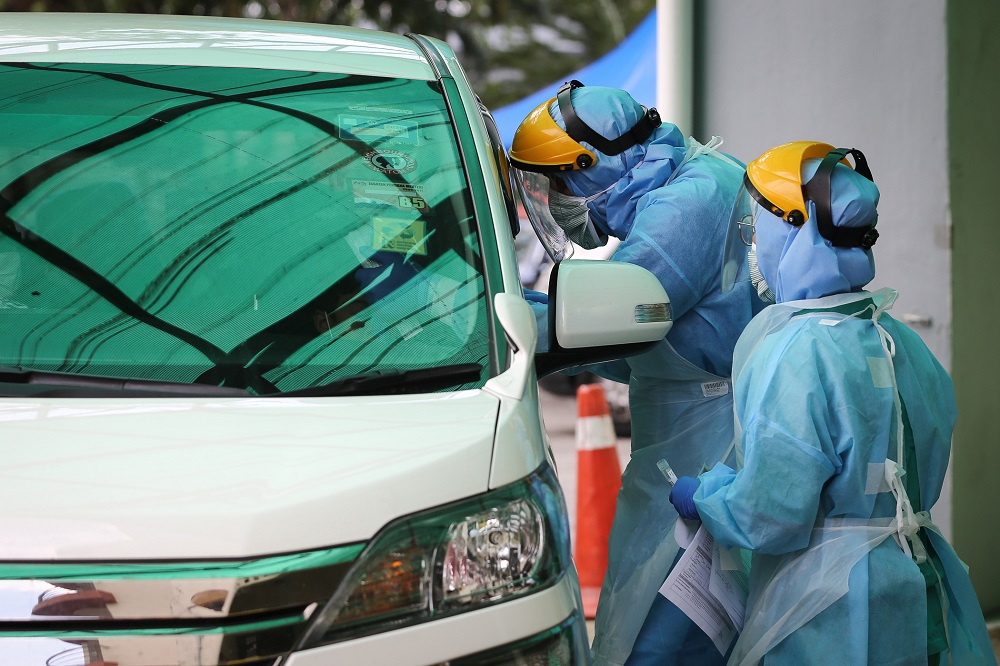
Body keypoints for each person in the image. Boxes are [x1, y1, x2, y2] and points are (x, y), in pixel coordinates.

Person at [668, 141, 997, 664]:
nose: (754, 245)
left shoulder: (796, 352)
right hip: (916, 582)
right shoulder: (902, 342)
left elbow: (770, 516)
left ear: (794, 230)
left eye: (760, 229)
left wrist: (706, 497)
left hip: (823, 601)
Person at [508, 80, 764, 665]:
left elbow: (609, 323)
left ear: (596, 164)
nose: (559, 200)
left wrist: (494, 318)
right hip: (691, 441)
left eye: (563, 182)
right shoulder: (690, 181)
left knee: (662, 642)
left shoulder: (687, 205)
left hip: (708, 452)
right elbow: (638, 346)